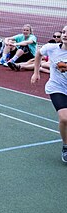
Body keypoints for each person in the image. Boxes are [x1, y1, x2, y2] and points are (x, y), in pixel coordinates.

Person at [31, 26, 67, 163]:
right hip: (57, 88)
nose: (65, 35)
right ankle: (66, 146)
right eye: (63, 32)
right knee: (64, 118)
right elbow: (39, 53)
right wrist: (36, 72)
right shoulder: (51, 48)